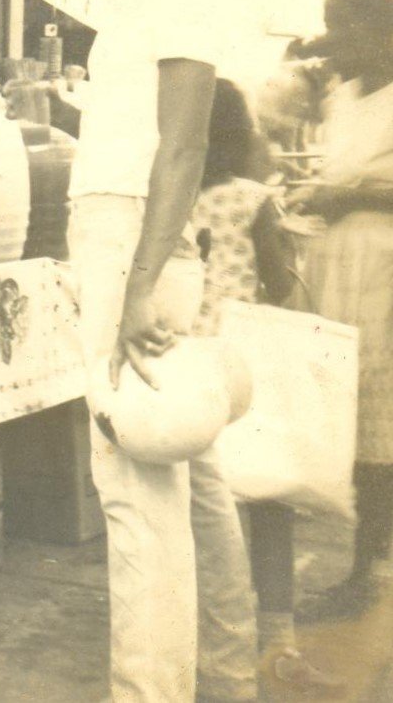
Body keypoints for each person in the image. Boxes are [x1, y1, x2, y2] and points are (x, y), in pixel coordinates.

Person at [54, 0, 259, 702]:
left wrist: (137, 287)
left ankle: (152, 691)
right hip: (131, 234)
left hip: (133, 238)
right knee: (192, 460)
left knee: (133, 479)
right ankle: (229, 669)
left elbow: (182, 148)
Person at [191, 82, 345, 695]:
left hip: (192, 357)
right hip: (248, 362)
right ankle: (276, 634)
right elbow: (278, 286)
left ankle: (205, 626)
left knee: (205, 502)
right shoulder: (254, 199)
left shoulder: (175, 195)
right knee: (270, 498)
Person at [287, 0, 393, 621]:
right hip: (341, 266)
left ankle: (365, 570)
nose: (330, 42)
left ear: (382, 34)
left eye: (342, 27)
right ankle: (365, 558)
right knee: (350, 418)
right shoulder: (344, 96)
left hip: (384, 269)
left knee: (381, 422)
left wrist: (349, 196)